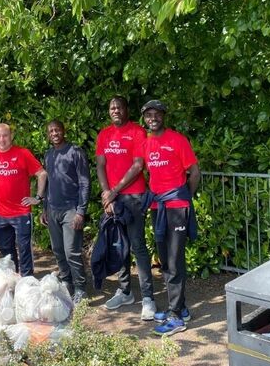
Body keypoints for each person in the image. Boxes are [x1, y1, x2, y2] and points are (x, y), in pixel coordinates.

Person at [140, 99, 200, 336]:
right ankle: (181, 308)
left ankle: (176, 318)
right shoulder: (146, 144)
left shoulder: (177, 140)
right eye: (148, 115)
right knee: (165, 259)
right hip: (158, 207)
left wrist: (185, 196)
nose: (152, 118)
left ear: (163, 116)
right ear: (144, 118)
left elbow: (194, 171)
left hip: (177, 207)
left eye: (156, 114)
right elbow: (146, 172)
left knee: (175, 261)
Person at [96, 96, 157, 320]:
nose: (116, 111)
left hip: (133, 197)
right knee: (119, 245)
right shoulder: (104, 134)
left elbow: (139, 165)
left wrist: (115, 190)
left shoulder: (138, 132)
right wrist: (107, 194)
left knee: (137, 245)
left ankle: (148, 297)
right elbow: (100, 164)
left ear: (126, 109)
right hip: (113, 199)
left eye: (120, 107)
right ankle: (125, 291)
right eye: (112, 107)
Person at [0, 123, 47, 276]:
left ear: (11, 136)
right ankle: (12, 278)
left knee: (24, 249)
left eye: (5, 135)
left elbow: (42, 174)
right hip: (0, 213)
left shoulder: (23, 153)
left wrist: (38, 197)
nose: (1, 139)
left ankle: (26, 282)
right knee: (5, 250)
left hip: (21, 212)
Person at [40, 120, 90, 303]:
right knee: (58, 250)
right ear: (48, 134)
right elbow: (48, 183)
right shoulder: (49, 154)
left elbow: (85, 182)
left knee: (72, 252)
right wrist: (44, 209)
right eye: (51, 131)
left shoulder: (75, 152)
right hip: (53, 209)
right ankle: (67, 283)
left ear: (63, 131)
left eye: (57, 130)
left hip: (71, 209)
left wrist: (81, 211)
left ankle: (81, 288)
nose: (54, 133)